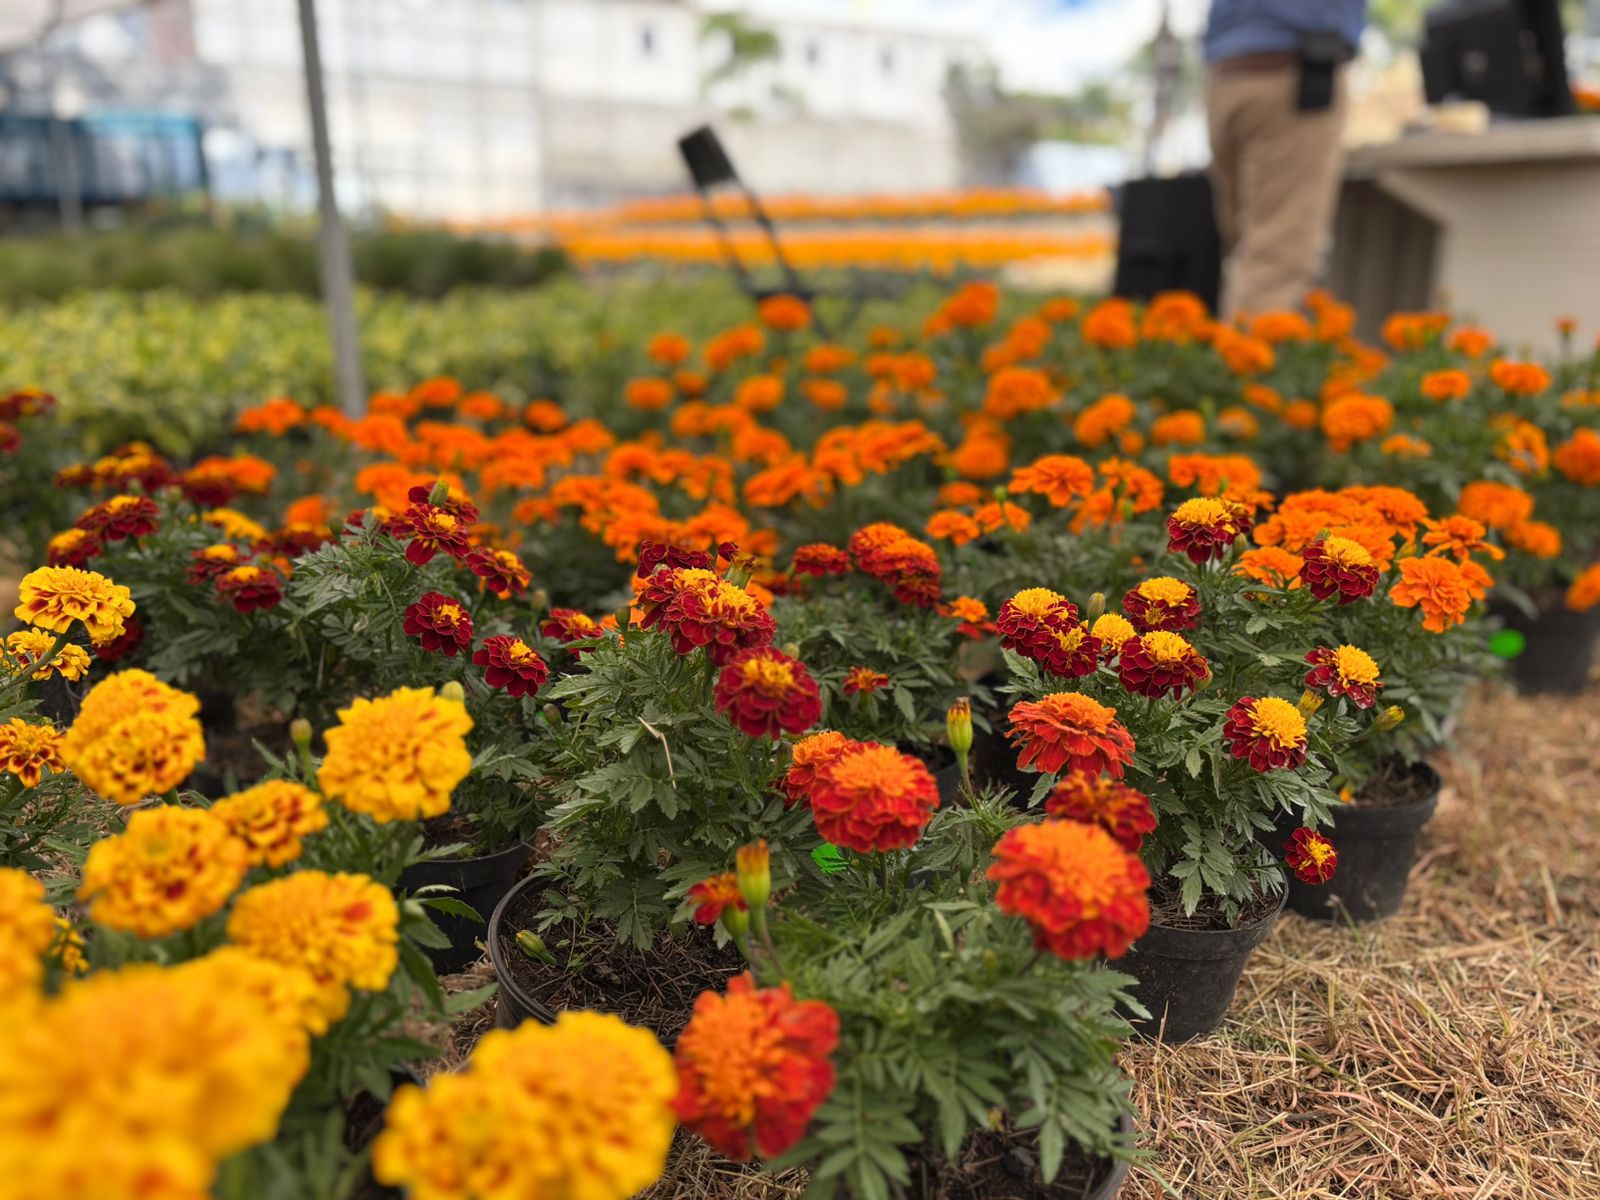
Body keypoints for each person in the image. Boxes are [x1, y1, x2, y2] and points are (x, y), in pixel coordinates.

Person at [1204, 1, 1367, 317]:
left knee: (1246, 255)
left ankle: (1232, 355)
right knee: (1275, 268)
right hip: (1293, 71)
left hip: (1226, 71)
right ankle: (1247, 362)